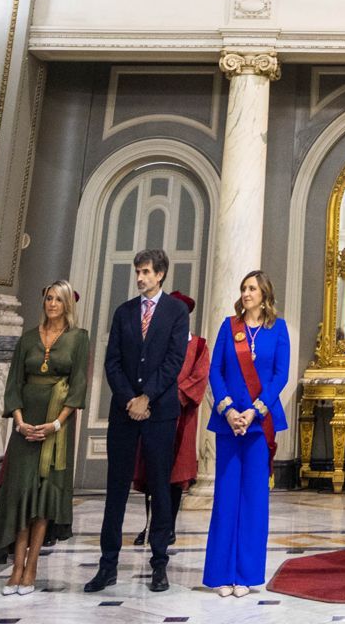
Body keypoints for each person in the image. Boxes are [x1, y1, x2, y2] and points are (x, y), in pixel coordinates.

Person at [85, 247, 190, 595]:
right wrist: (130, 399)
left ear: (160, 274)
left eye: (145, 272)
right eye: (137, 272)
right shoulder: (124, 312)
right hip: (125, 412)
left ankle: (159, 564)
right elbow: (111, 360)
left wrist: (148, 397)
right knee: (116, 489)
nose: (140, 278)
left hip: (160, 412)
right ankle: (107, 566)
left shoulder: (176, 312)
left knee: (160, 487)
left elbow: (175, 360)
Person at [0, 282, 89, 594]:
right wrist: (19, 422)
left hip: (56, 429)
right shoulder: (29, 338)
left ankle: (31, 567)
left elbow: (78, 385)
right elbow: (14, 382)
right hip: (25, 426)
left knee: (44, 495)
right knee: (20, 493)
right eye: (48, 298)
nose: (52, 304)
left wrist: (55, 425)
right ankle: (15, 566)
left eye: (58, 299)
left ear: (67, 304)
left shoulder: (78, 338)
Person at [203, 270, 291, 596]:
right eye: (243, 288)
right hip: (228, 425)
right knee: (226, 497)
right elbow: (215, 370)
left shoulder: (278, 329)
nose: (246, 293)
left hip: (258, 424)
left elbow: (280, 375)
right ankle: (221, 574)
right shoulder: (229, 326)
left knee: (254, 501)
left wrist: (255, 410)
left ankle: (246, 575)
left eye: (252, 288)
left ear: (264, 294)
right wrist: (228, 409)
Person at [133, 290, 209, 550]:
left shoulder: (198, 345)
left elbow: (198, 379)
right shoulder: (157, 342)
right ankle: (149, 524)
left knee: (175, 476)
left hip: (182, 420)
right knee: (152, 472)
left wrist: (170, 396)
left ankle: (169, 526)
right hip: (153, 413)